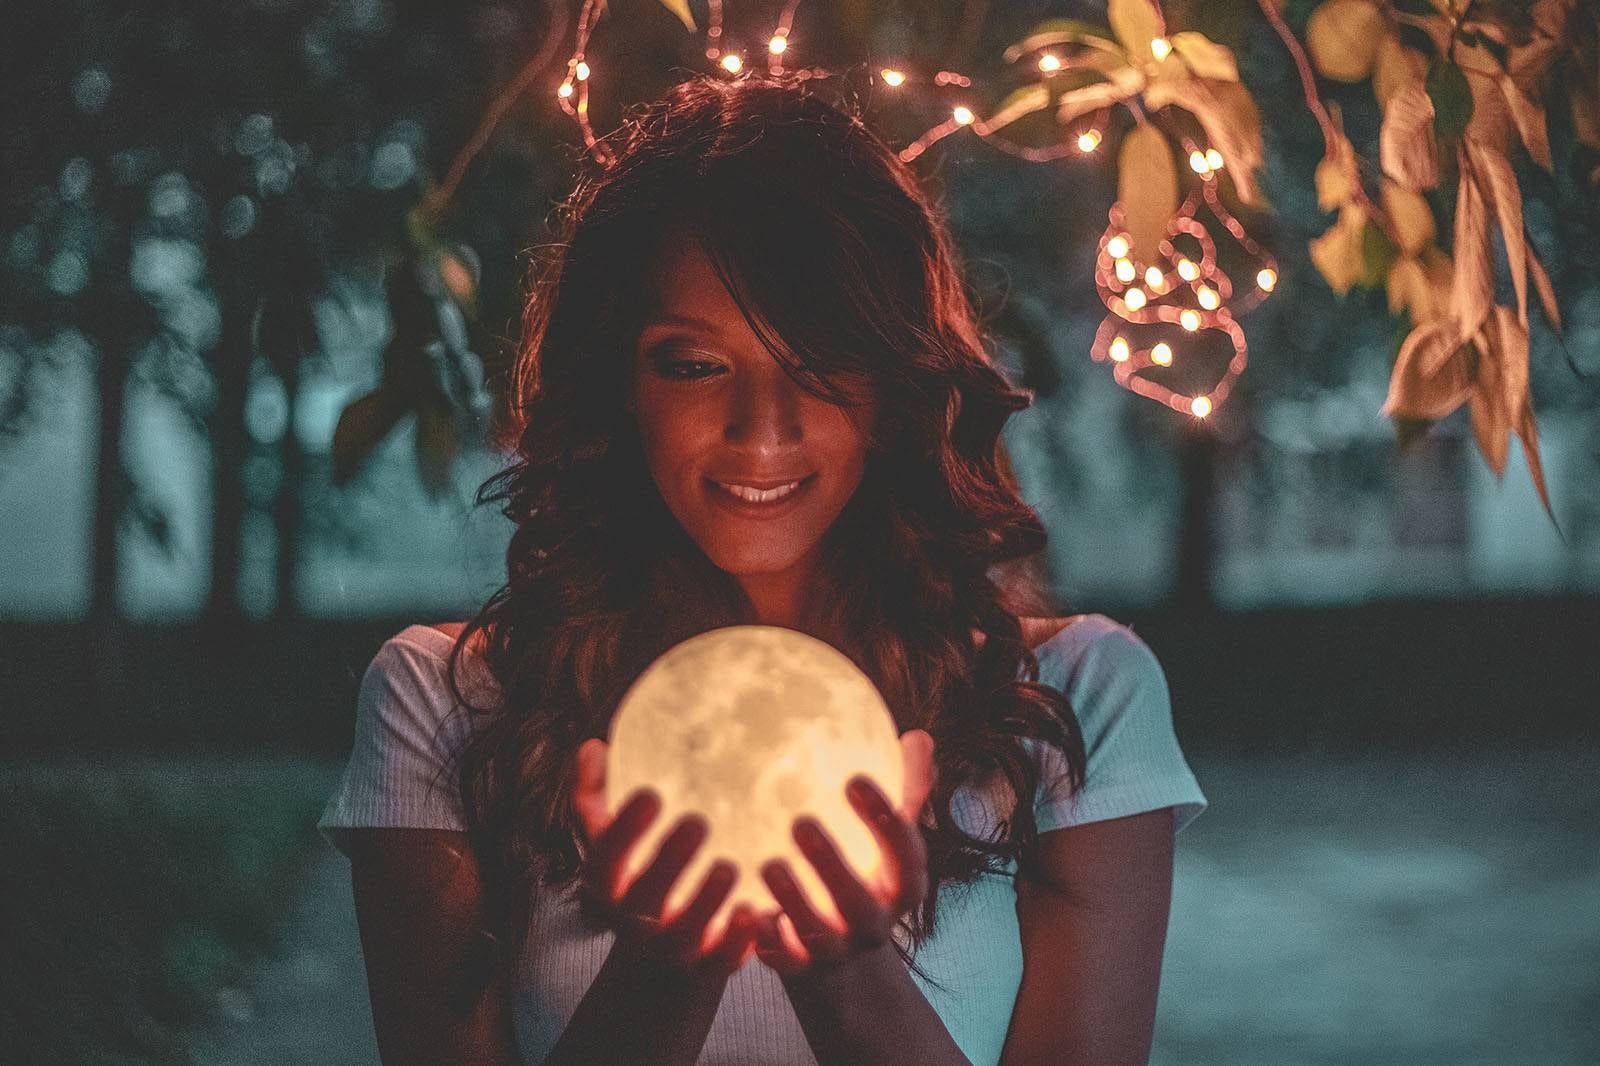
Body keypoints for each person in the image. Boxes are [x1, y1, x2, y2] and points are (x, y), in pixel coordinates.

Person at [318, 72, 1207, 1066]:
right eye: (695, 364)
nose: (762, 430)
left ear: (896, 381)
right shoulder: (448, 705)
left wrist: (848, 971)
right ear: (618, 380)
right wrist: (664, 969)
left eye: (820, 362)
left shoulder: (1074, 698)